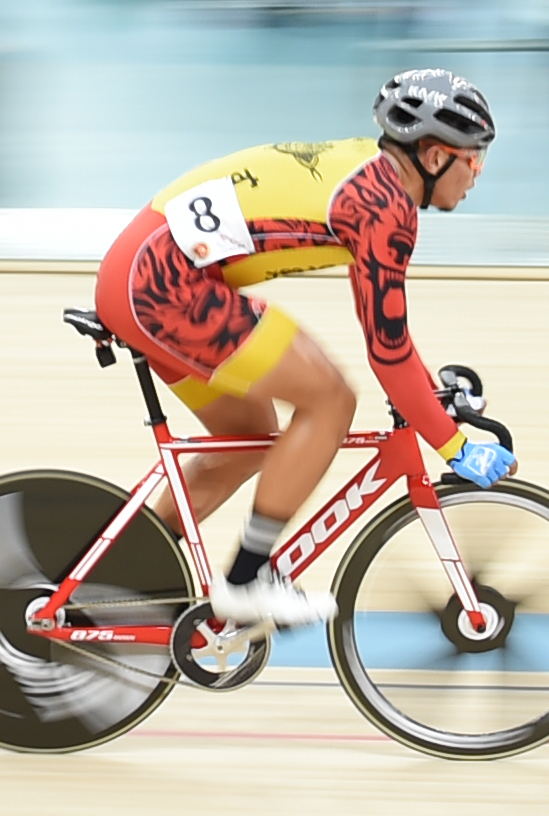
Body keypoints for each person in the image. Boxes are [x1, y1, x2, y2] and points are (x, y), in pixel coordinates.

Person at [93, 68, 516, 628]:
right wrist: (453, 443)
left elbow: (388, 336)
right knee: (331, 400)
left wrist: (430, 400)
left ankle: (120, 581)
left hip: (143, 274)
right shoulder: (384, 209)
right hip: (161, 284)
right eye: (475, 160)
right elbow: (386, 352)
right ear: (435, 158)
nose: (477, 175)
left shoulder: (369, 175)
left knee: (246, 441)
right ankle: (246, 579)